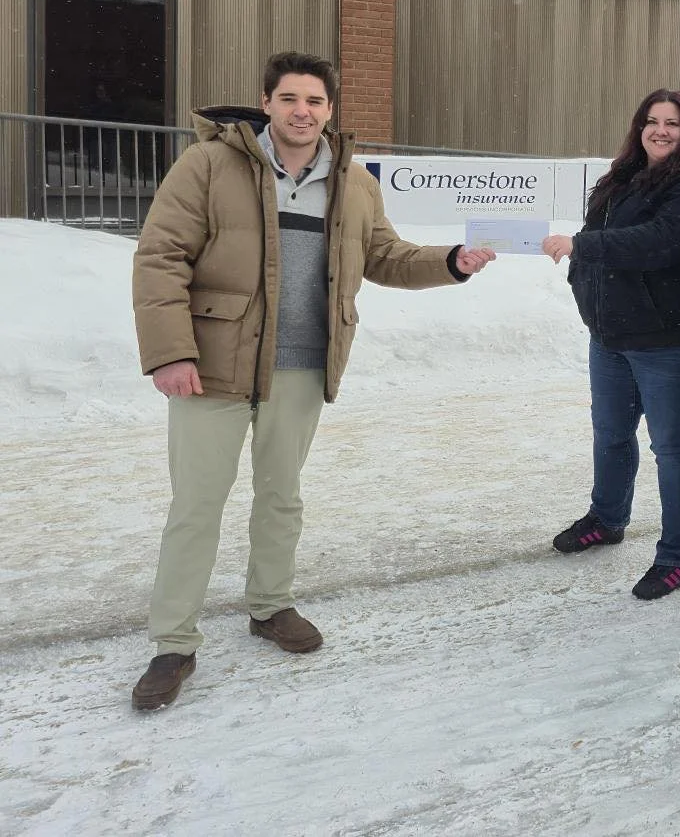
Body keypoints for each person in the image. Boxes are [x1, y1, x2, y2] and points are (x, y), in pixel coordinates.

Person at [129, 51, 495, 711]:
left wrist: (451, 261)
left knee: (281, 495)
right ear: (265, 102)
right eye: (291, 98)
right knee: (196, 505)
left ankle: (269, 604)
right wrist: (169, 352)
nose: (304, 111)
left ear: (330, 109)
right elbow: (160, 256)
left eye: (316, 101)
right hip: (211, 364)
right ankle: (173, 641)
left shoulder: (353, 183)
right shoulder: (209, 164)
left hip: (300, 364)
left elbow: (384, 256)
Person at [541, 89, 680, 600]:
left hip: (669, 343)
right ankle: (607, 518)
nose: (660, 131)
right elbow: (603, 235)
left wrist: (582, 246)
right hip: (612, 335)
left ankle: (677, 558)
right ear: (638, 127)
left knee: (673, 447)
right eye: (651, 121)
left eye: (672, 123)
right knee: (612, 433)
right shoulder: (622, 176)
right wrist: (582, 272)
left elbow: (656, 243)